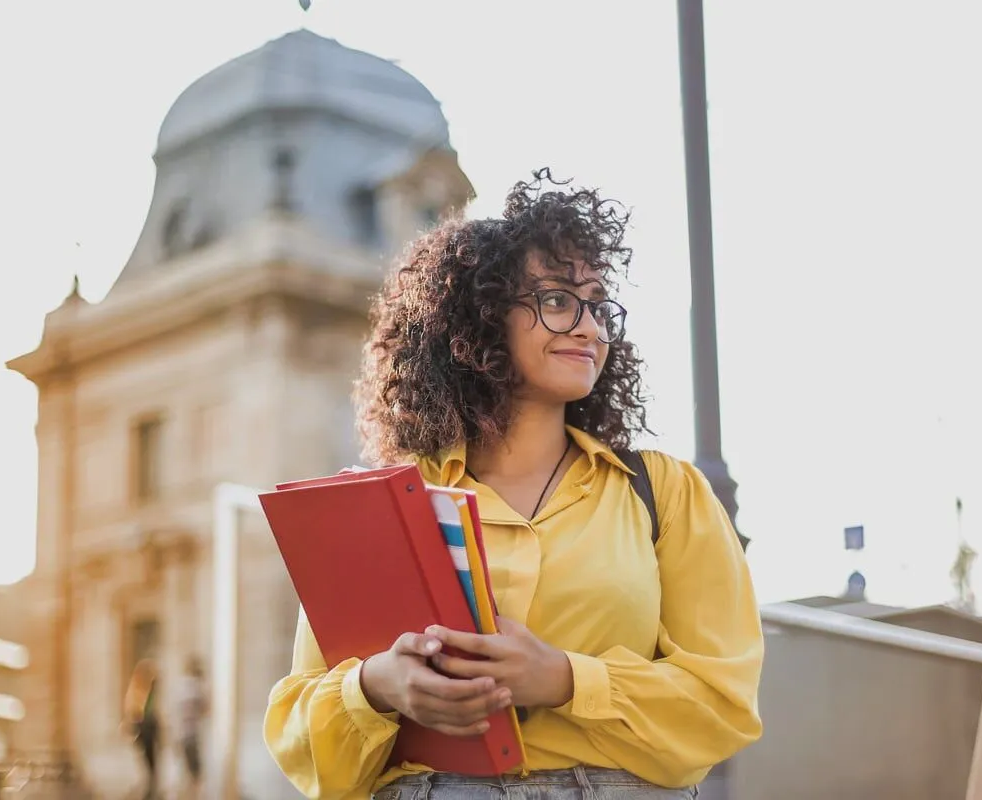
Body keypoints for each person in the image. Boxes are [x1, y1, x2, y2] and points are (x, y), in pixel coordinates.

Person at [264, 170, 764, 799]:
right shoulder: (386, 504)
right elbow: (301, 738)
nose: (589, 327)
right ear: (480, 319)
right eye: (556, 300)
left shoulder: (665, 493)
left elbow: (724, 704)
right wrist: (379, 687)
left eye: (598, 305)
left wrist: (561, 679)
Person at [123, 659, 161, 800]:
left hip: (149, 726)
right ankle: (148, 788)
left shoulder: (148, 689)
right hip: (144, 726)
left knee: (151, 760)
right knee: (148, 760)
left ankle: (150, 788)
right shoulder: (137, 689)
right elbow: (134, 710)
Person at [176, 657, 208, 795]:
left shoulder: (181, 686)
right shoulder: (195, 688)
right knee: (195, 774)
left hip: (182, 734)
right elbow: (205, 708)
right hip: (191, 735)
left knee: (187, 772)